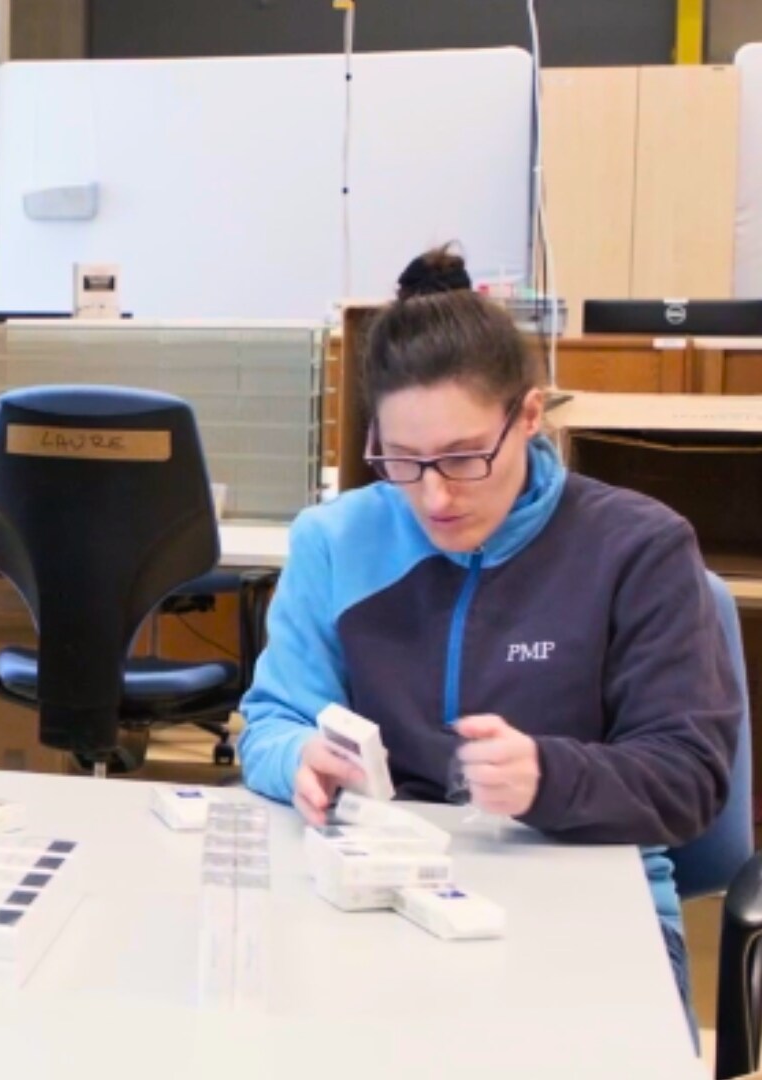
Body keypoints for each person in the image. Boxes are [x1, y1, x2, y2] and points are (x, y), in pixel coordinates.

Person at [239, 247, 740, 1022]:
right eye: (402, 461)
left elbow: (688, 780)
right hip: (378, 895)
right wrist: (296, 756)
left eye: (464, 457)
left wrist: (546, 776)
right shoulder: (335, 540)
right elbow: (271, 721)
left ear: (530, 417)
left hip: (591, 912)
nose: (435, 497)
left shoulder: (638, 548)